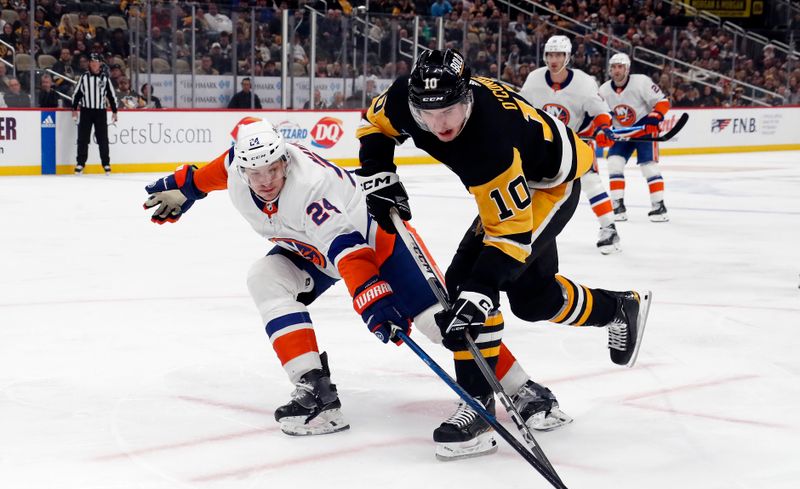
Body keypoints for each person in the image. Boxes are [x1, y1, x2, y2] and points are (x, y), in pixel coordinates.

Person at [141, 117, 572, 456]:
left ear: (285, 160)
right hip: (312, 247)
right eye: (256, 173)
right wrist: (184, 189)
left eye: (273, 169)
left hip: (375, 241)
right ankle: (316, 392)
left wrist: (373, 300)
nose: (266, 181)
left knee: (437, 324)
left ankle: (526, 391)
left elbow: (350, 252)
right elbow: (202, 177)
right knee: (265, 277)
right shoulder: (239, 167)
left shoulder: (310, 186)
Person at [356, 49, 651, 458]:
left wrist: (481, 289)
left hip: (548, 184)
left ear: (469, 98)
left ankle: (476, 408)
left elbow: (508, 239)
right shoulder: (406, 96)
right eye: (429, 114)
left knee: (467, 286)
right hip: (516, 175)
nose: (440, 125)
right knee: (534, 301)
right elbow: (374, 125)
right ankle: (618, 308)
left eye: (451, 110)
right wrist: (378, 170)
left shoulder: (489, 140)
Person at [520, 35, 620, 254]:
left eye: (559, 55)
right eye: (550, 54)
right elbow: (522, 107)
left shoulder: (584, 82)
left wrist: (604, 129)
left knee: (591, 181)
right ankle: (520, 230)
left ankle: (609, 228)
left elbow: (600, 111)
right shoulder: (534, 79)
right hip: (546, 142)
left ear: (568, 57)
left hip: (576, 140)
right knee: (528, 184)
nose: (554, 59)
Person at [599, 53, 671, 222]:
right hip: (622, 132)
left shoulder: (641, 82)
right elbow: (603, 114)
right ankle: (617, 206)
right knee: (614, 163)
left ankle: (659, 206)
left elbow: (662, 102)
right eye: (614, 67)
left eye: (620, 67)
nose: (616, 70)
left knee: (649, 167)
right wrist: (604, 128)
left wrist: (654, 117)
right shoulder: (603, 90)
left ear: (627, 68)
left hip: (644, 128)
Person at [71, 53, 117, 175]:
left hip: (100, 112)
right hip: (86, 111)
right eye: (91, 62)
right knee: (83, 139)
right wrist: (74, 109)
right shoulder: (84, 77)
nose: (94, 64)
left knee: (103, 139)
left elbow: (111, 95)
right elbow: (77, 94)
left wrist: (114, 111)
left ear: (100, 64)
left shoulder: (105, 78)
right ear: (89, 64)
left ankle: (106, 164)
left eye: (96, 62)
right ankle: (80, 163)